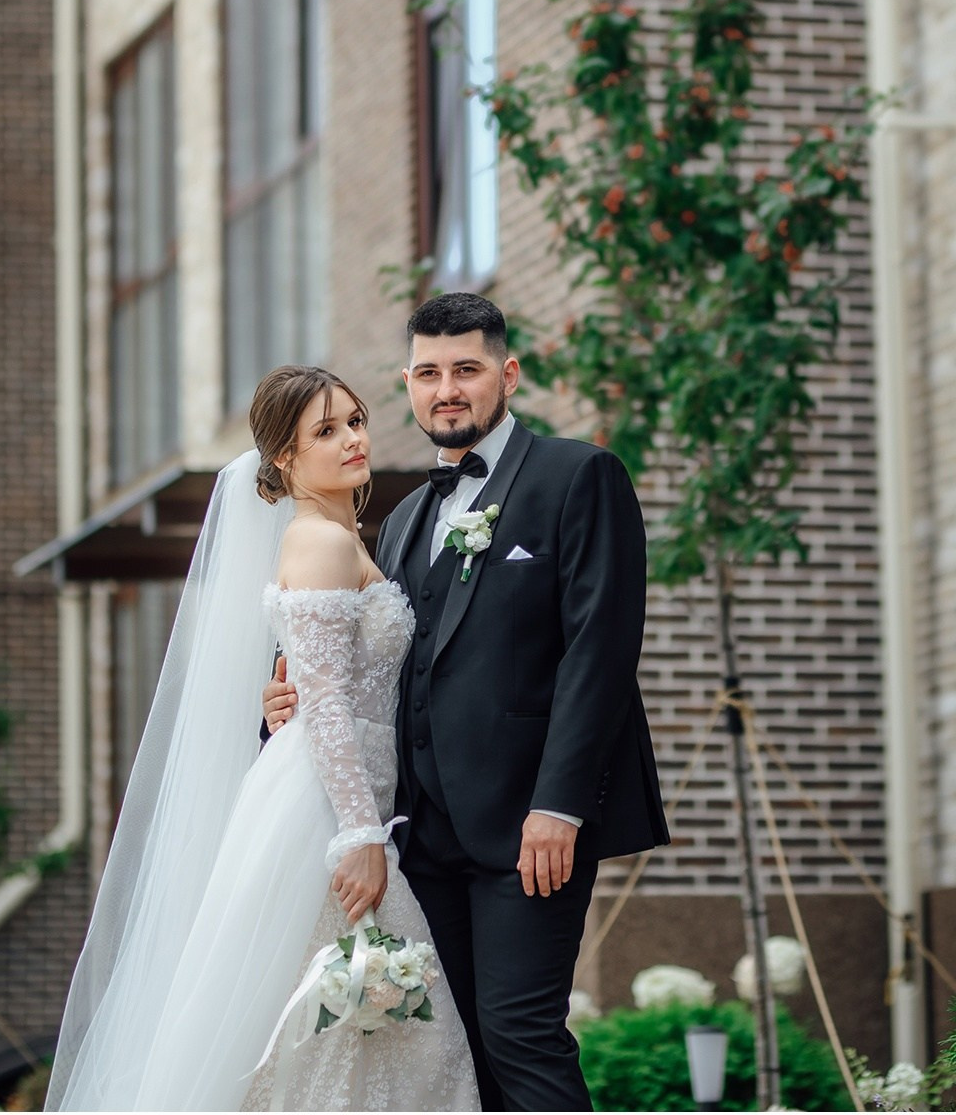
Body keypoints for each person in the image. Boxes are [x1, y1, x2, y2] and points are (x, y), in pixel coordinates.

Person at [264, 292, 668, 1111]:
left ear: (507, 375)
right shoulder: (405, 518)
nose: (447, 389)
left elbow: (600, 651)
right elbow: (380, 663)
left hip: (530, 830)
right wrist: (285, 704)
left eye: (467, 370)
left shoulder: (579, 477)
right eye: (427, 373)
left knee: (521, 1032)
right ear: (409, 383)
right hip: (422, 839)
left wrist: (560, 806)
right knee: (460, 1056)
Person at [45, 365, 478, 1111]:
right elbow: (330, 706)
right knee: (354, 1027)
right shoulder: (319, 544)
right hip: (325, 813)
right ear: (283, 456)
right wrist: (359, 838)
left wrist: (291, 707)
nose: (351, 439)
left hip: (343, 796)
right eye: (325, 430)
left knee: (353, 1032)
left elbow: (314, 686)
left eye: (353, 420)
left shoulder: (344, 538)